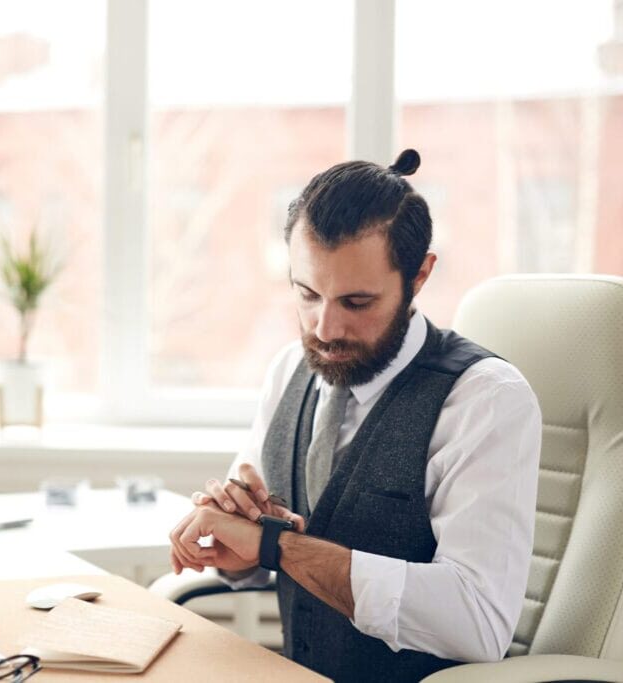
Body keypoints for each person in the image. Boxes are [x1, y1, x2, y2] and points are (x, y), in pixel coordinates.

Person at [168, 149, 542, 683]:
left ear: (419, 276)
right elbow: (257, 544)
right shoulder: (288, 372)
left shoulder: (484, 401)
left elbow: (477, 622)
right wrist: (241, 548)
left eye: (357, 302)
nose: (325, 328)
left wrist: (278, 546)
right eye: (308, 294)